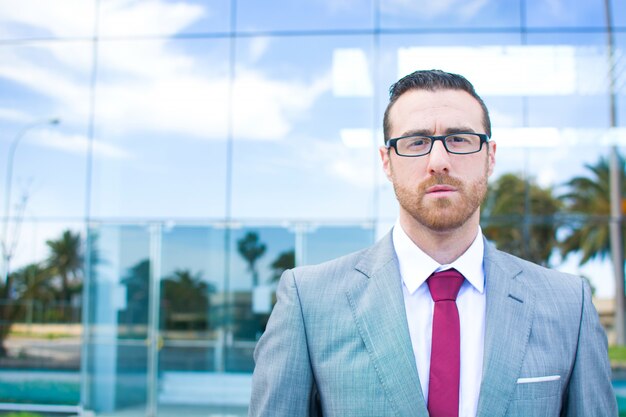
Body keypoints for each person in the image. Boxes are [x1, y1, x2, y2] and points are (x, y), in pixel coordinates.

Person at [248, 69, 618, 417]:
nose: (438, 161)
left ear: (490, 157)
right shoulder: (309, 301)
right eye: (417, 141)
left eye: (459, 139)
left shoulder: (570, 305)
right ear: (387, 162)